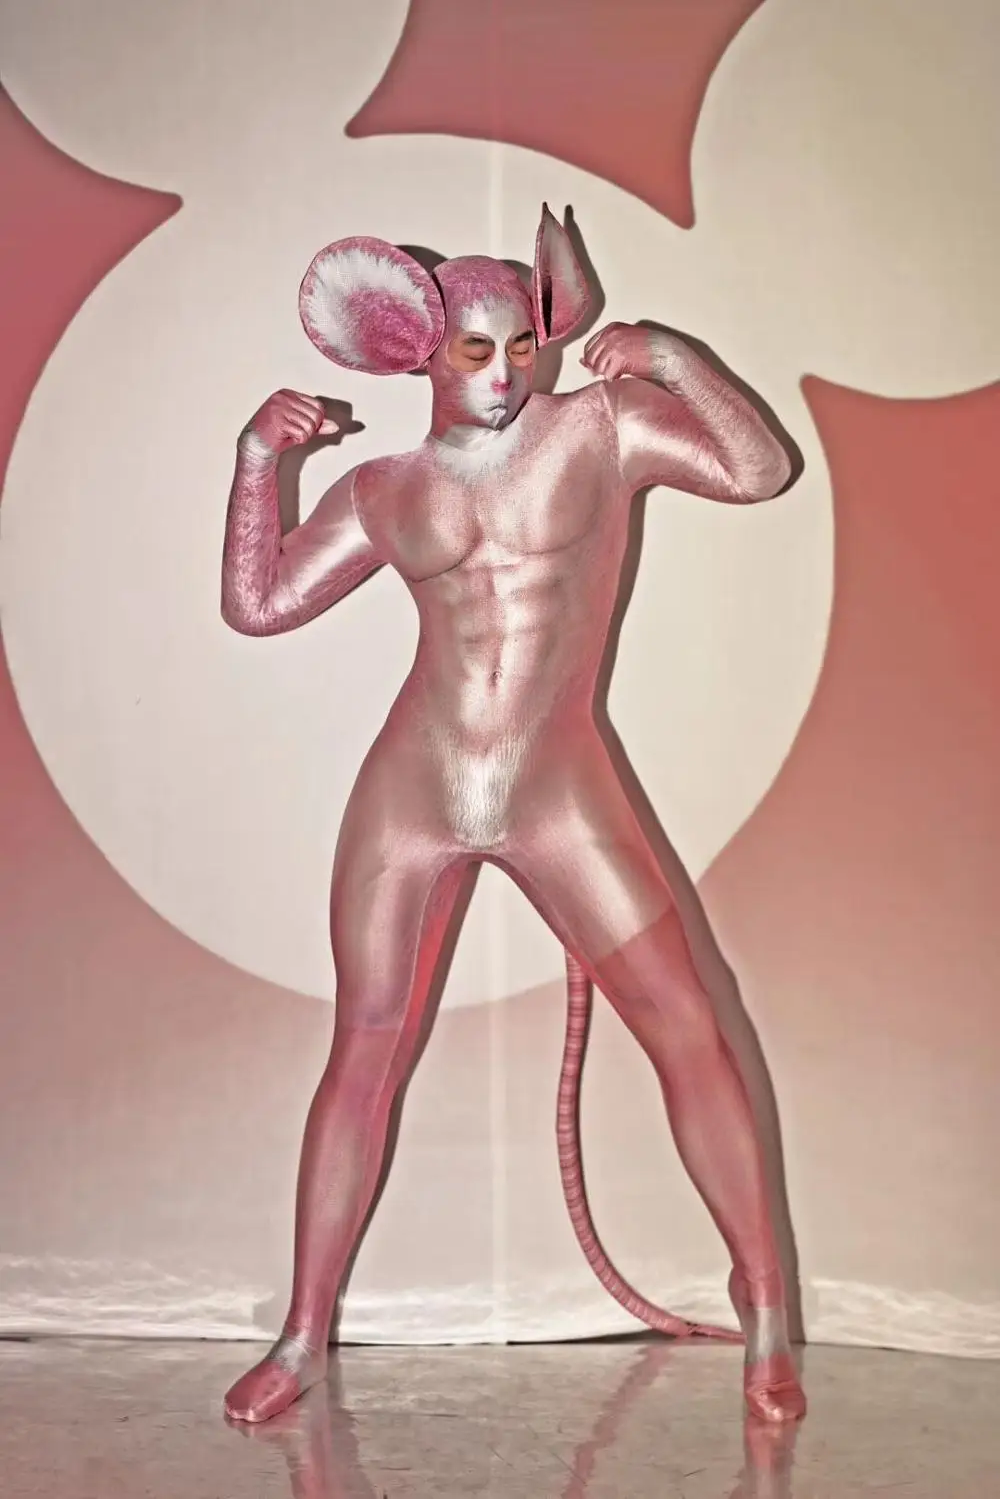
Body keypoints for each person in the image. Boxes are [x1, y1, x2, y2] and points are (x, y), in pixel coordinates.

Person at [221, 206, 805, 1425]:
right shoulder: (384, 487)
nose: (504, 374)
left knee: (688, 1027)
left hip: (556, 788)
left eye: (522, 347)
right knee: (363, 1051)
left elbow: (760, 472)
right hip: (413, 791)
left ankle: (765, 1316)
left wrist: (675, 359)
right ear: (417, 351)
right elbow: (260, 605)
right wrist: (255, 461)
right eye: (475, 351)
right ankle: (301, 1334)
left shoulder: (604, 426)